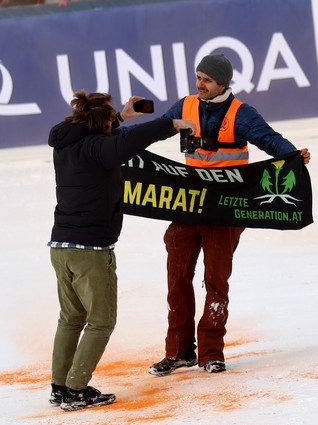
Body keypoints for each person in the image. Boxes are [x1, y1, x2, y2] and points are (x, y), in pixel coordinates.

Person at [147, 54, 311, 376]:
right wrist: (118, 144)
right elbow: (155, 130)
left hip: (226, 208)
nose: (200, 84)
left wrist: (292, 155)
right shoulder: (186, 106)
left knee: (215, 282)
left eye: (206, 79)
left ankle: (210, 353)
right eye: (198, 78)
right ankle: (179, 351)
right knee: (177, 277)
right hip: (190, 204)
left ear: (223, 82)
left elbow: (269, 139)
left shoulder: (241, 114)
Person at [48, 90, 194, 411]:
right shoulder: (101, 148)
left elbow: (101, 136)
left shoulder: (67, 144)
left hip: (60, 246)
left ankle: (60, 387)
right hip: (90, 250)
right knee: (101, 321)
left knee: (71, 318)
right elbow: (127, 142)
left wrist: (121, 116)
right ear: (99, 121)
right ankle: (75, 390)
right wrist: (171, 123)